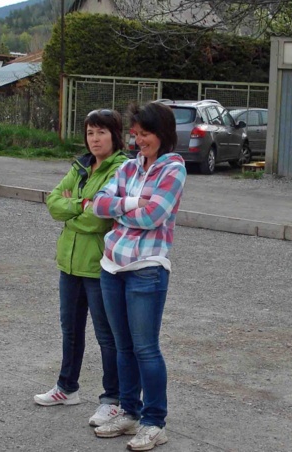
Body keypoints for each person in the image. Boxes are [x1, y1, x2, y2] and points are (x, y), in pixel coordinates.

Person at [90, 102, 186, 451]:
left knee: (146, 348)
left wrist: (122, 208)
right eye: (136, 133)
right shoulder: (129, 167)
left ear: (162, 134)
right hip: (111, 266)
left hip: (146, 268)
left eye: (145, 134)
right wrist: (134, 203)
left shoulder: (173, 168)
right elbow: (98, 203)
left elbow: (155, 216)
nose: (138, 139)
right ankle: (129, 411)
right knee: (122, 346)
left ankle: (154, 421)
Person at [34, 109, 128, 429]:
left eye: (101, 132)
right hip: (70, 262)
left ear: (115, 135)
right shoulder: (82, 165)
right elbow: (53, 202)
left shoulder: (121, 170)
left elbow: (100, 218)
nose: (95, 139)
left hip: (101, 266)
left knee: (107, 335)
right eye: (90, 133)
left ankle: (112, 400)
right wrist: (80, 205)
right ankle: (66, 388)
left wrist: (77, 209)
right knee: (71, 330)